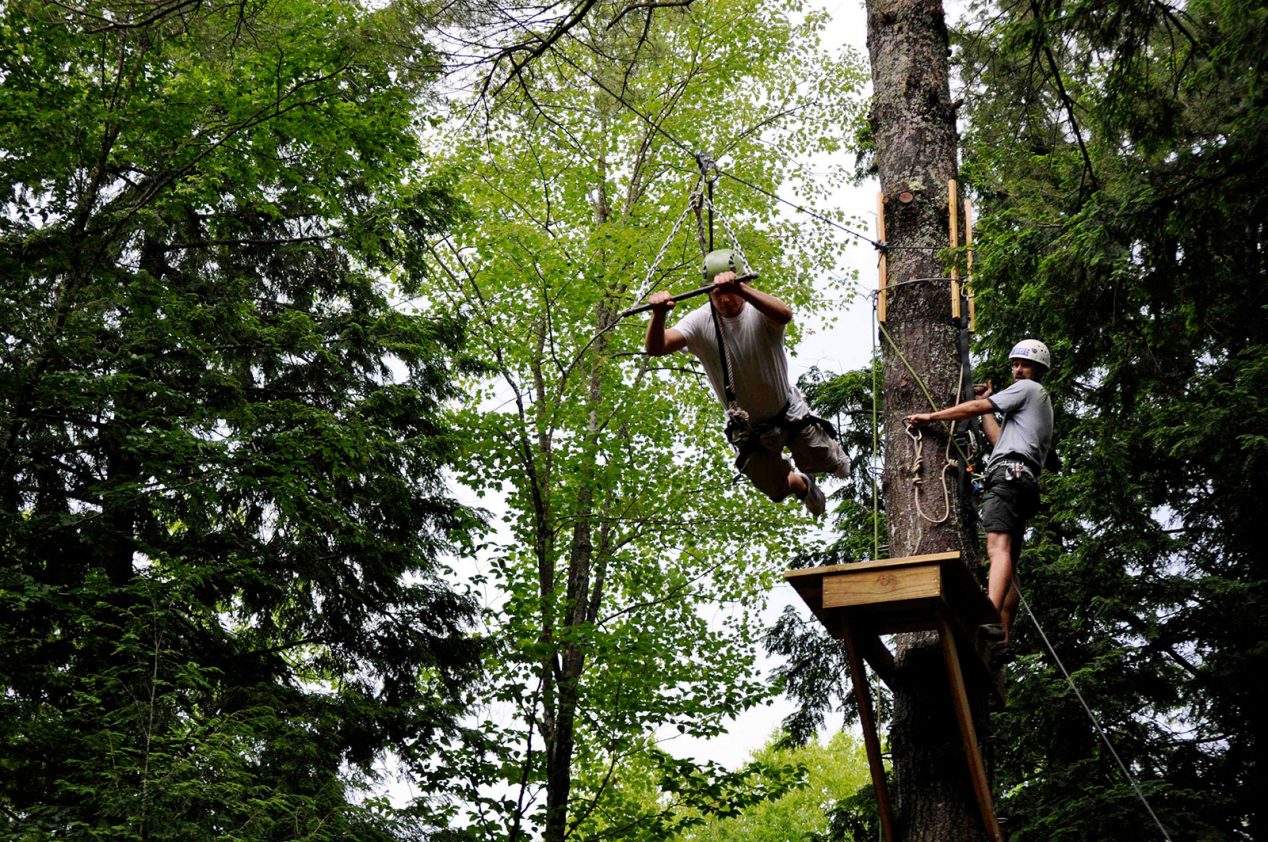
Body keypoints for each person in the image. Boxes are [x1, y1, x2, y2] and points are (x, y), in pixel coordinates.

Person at [644, 249, 849, 517]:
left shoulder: (759, 311)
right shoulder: (699, 321)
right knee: (776, 492)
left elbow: (784, 314)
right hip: (749, 429)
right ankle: (802, 485)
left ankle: (829, 450)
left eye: (733, 292)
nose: (727, 300)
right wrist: (658, 315)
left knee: (824, 461)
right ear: (708, 292)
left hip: (788, 411)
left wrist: (741, 289)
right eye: (719, 294)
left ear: (745, 285)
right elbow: (656, 348)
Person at [904, 339, 1054, 651]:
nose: (1017, 369)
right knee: (1008, 560)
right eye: (1014, 364)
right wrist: (988, 401)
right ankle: (1003, 637)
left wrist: (932, 417)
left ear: (1038, 370)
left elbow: (977, 407)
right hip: (1022, 480)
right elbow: (998, 436)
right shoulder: (1038, 402)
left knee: (997, 549)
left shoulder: (1026, 389)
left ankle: (986, 615)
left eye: (1024, 365)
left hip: (1008, 477)